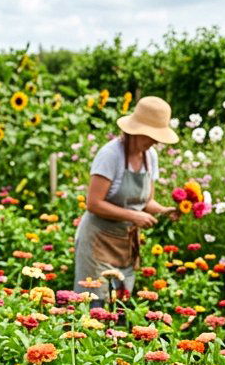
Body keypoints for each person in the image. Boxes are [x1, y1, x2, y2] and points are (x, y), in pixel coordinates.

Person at [74, 95, 178, 298]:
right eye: (152, 135)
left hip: (125, 246)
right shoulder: (111, 155)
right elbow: (93, 204)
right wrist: (134, 216)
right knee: (94, 305)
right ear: (137, 131)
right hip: (98, 243)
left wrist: (165, 211)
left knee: (119, 309)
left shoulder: (150, 157)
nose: (155, 141)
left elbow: (146, 202)